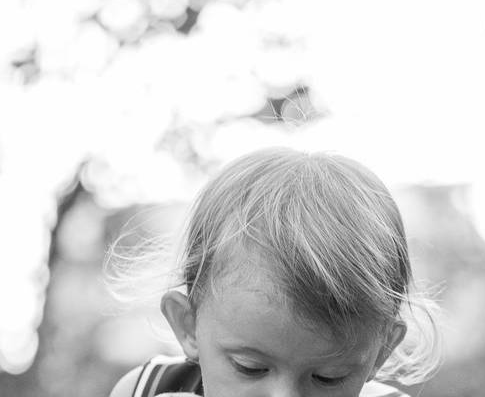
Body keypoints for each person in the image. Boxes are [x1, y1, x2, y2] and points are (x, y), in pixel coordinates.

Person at [107, 147, 441, 397]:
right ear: (188, 325)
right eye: (250, 368)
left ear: (382, 349)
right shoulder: (144, 390)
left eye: (328, 377)